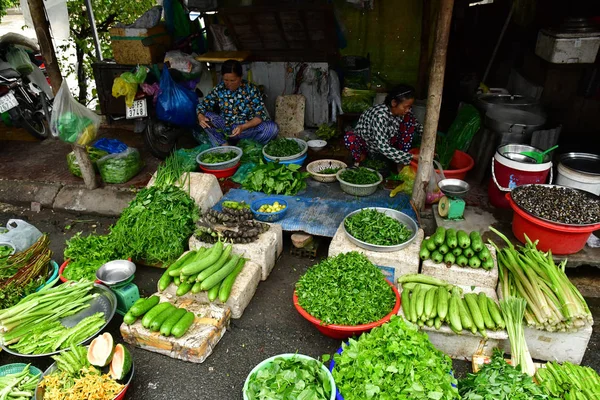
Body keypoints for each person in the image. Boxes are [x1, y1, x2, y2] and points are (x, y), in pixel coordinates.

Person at [196, 60, 279, 146]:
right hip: (227, 129)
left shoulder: (251, 89)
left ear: (240, 77)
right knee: (207, 117)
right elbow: (202, 106)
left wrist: (243, 127)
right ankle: (225, 146)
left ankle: (249, 146)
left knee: (272, 128)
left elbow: (259, 116)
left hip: (247, 129)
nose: (229, 84)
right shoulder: (219, 89)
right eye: (226, 80)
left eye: (233, 80)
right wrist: (200, 117)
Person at [344, 85, 422, 170]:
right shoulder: (380, 116)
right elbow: (383, 147)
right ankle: (361, 160)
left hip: (387, 144)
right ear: (394, 103)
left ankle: (401, 159)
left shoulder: (403, 113)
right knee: (351, 139)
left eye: (410, 107)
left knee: (409, 120)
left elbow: (418, 127)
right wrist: (412, 157)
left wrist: (429, 143)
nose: (408, 110)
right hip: (369, 145)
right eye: (405, 107)